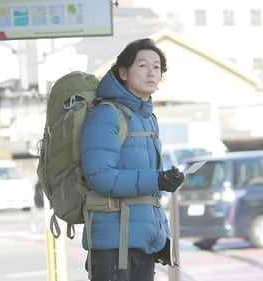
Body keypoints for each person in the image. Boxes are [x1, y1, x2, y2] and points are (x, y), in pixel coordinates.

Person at [79, 38, 185, 281]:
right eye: (143, 66)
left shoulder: (147, 118)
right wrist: (157, 180)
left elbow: (150, 195)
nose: (152, 72)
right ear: (123, 72)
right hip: (113, 247)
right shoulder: (106, 114)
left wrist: (161, 238)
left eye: (157, 67)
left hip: (141, 244)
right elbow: (101, 177)